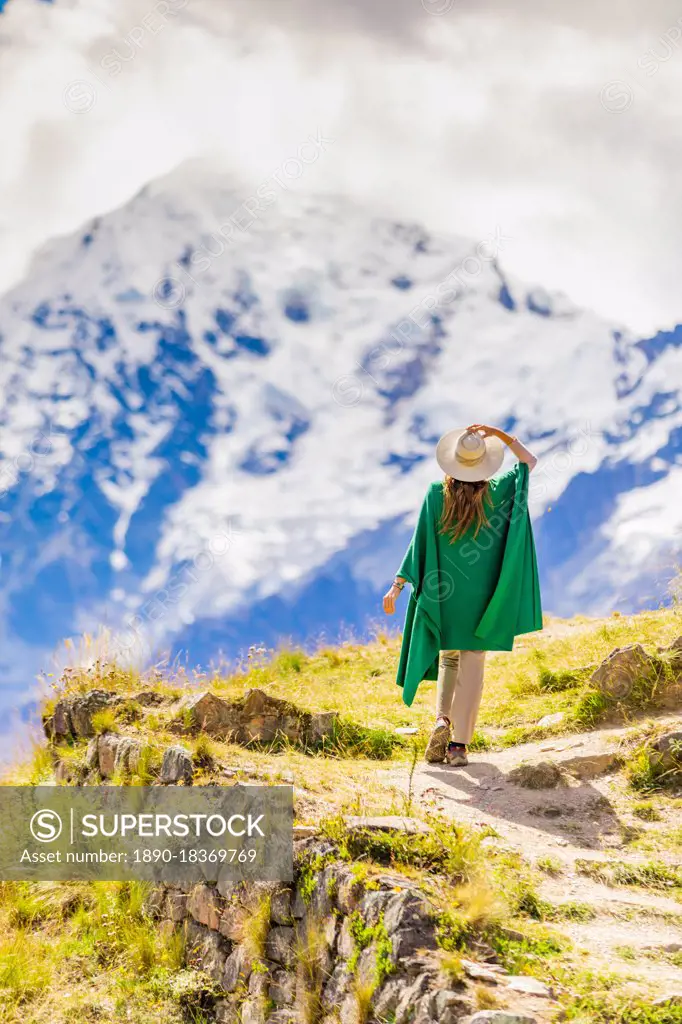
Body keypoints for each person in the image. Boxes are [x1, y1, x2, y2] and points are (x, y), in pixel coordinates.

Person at [383, 423, 542, 767]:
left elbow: (419, 543)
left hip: (445, 597)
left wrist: (398, 584)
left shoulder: (434, 495)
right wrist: (499, 435)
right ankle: (457, 747)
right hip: (481, 600)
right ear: (485, 465)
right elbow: (529, 462)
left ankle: (442, 719)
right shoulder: (498, 492)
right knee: (473, 662)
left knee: (449, 658)